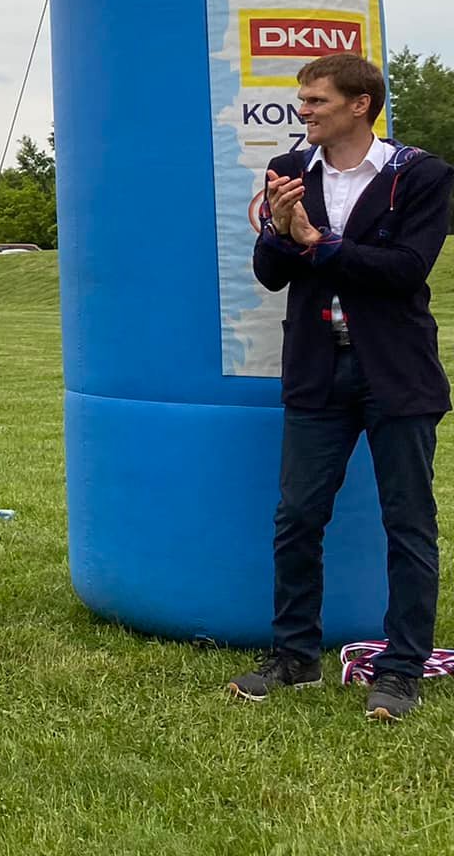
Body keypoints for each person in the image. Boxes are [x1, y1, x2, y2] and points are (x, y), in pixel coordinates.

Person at [229, 52, 452, 722]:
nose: (303, 112)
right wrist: (279, 232)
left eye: (316, 101)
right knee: (297, 516)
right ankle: (295, 657)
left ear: (361, 104)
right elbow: (271, 273)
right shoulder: (290, 170)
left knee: (408, 523)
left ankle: (402, 670)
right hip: (317, 369)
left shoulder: (420, 175)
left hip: (395, 373)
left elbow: (404, 270)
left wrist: (314, 240)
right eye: (302, 100)